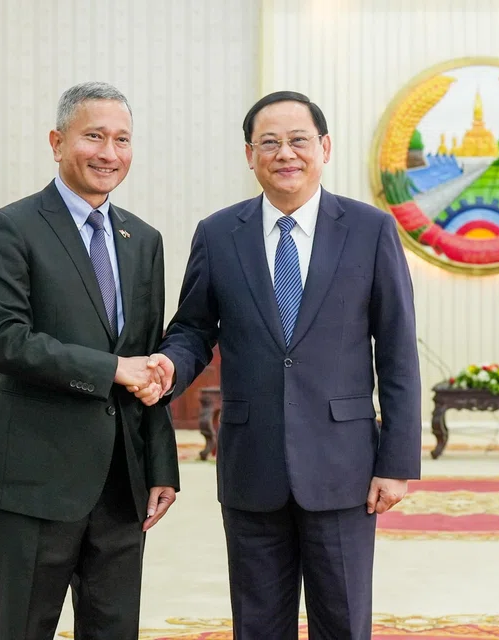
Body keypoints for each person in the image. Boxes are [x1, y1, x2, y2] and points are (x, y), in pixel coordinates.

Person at [138, 91, 422, 639]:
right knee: (258, 624)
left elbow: (397, 350)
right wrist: (169, 367)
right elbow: (195, 328)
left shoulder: (370, 230)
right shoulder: (219, 234)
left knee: (342, 621)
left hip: (344, 466)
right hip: (252, 462)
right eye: (269, 142)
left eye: (298, 140)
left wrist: (397, 461)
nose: (285, 153)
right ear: (250, 155)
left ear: (325, 147)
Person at [0, 81, 179, 640]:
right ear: (57, 141)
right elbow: (4, 341)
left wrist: (161, 464)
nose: (109, 153)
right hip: (33, 478)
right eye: (94, 136)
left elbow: (147, 359)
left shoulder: (144, 239)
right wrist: (110, 369)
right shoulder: (10, 227)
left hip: (120, 482)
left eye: (122, 139)